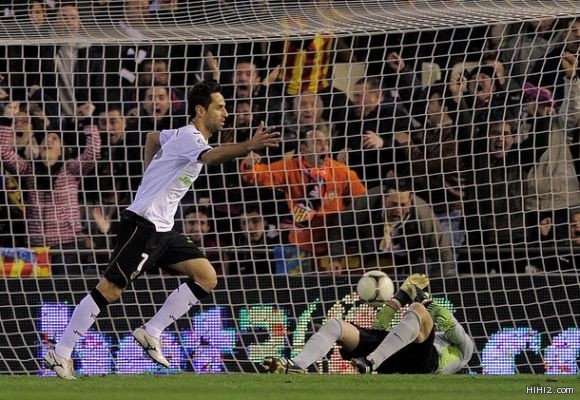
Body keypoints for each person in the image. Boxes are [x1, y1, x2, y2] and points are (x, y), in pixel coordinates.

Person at [43, 80, 281, 379]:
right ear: (200, 110)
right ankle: (61, 352)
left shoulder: (179, 135)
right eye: (219, 107)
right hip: (143, 224)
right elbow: (210, 158)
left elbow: (152, 138)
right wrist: (248, 146)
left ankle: (151, 331)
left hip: (164, 227)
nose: (225, 113)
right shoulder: (190, 137)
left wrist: (149, 175)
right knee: (110, 290)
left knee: (207, 277)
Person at [263, 273, 474, 375]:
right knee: (335, 325)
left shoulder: (465, 349)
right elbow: (379, 327)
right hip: (390, 356)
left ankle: (371, 362)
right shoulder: (414, 335)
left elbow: (449, 323)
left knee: (418, 309)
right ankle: (298, 364)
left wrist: (424, 300)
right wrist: (399, 298)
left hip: (422, 364)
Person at [240, 128, 366, 269]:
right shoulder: (290, 168)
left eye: (326, 143)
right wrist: (249, 165)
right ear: (303, 149)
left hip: (335, 245)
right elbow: (259, 175)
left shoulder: (341, 171)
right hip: (301, 246)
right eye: (317, 143)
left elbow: (362, 202)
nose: (324, 147)